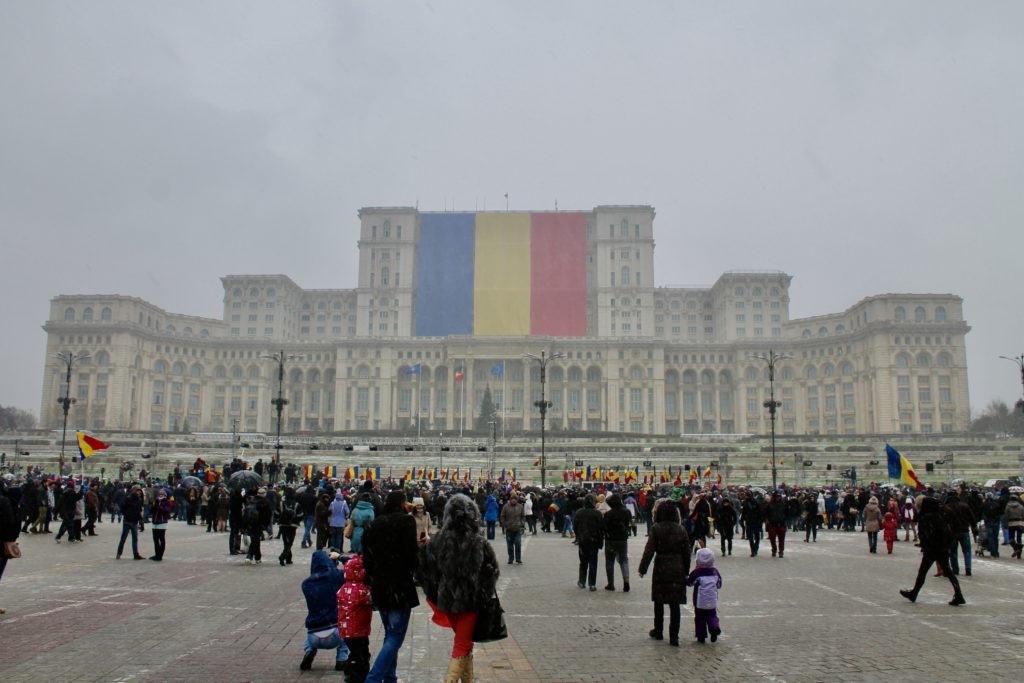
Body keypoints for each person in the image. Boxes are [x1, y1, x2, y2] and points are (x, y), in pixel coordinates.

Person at [419, 494, 500, 683]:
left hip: (447, 601)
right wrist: (482, 593)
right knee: (462, 645)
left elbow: (425, 571)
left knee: (465, 642)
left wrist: (437, 590)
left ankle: (467, 679)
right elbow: (492, 572)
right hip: (471, 602)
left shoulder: (438, 541)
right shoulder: (479, 542)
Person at [361, 490, 420, 683]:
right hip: (400, 586)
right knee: (395, 636)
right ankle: (374, 678)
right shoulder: (406, 522)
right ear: (402, 503)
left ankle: (390, 678)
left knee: (390, 634)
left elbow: (367, 559)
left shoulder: (374, 524)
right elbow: (411, 555)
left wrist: (375, 577)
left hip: (380, 586)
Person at [638, 499, 691, 647]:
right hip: (677, 568)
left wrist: (643, 568)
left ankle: (659, 630)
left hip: (661, 566)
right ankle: (674, 636)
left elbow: (649, 550)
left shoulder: (656, 528)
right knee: (675, 604)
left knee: (659, 601)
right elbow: (686, 552)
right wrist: (686, 570)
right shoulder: (681, 529)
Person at [900, 496, 964, 606]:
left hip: (931, 549)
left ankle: (914, 593)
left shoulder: (927, 516)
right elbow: (950, 529)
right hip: (942, 547)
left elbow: (926, 534)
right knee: (947, 571)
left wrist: (924, 545)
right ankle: (958, 594)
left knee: (923, 572)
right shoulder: (940, 514)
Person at [300, 549, 349, 672]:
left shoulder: (306, 584)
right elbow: (355, 567)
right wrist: (339, 557)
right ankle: (341, 659)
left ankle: (309, 650)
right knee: (346, 634)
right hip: (335, 631)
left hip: (314, 634)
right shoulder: (337, 577)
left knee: (309, 637)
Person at [337, 554, 372, 683]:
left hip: (345, 630)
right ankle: (358, 676)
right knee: (362, 654)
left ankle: (350, 670)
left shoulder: (343, 588)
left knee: (355, 652)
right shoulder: (362, 590)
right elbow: (372, 601)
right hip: (359, 630)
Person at [686, 548, 723, 644]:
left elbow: (690, 583)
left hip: (700, 601)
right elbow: (719, 585)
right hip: (712, 600)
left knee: (699, 618)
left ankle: (701, 635)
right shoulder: (715, 572)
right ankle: (714, 626)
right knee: (712, 615)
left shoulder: (697, 573)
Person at [573, 494, 604, 591]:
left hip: (582, 541)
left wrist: (578, 535)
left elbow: (575, 526)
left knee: (583, 562)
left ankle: (582, 581)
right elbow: (601, 528)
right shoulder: (597, 513)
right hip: (594, 541)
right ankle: (592, 584)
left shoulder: (579, 512)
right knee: (593, 563)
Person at [603, 494, 632, 592]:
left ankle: (611, 584)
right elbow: (629, 523)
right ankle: (626, 581)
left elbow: (604, 527)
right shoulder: (627, 512)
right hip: (623, 539)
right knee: (624, 560)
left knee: (610, 562)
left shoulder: (608, 514)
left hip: (611, 540)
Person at [945, 490, 976, 576]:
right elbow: (972, 518)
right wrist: (974, 527)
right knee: (967, 551)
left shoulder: (947, 507)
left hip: (952, 532)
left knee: (953, 551)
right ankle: (968, 568)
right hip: (964, 530)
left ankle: (955, 569)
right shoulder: (964, 505)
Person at [116, 485, 145, 560]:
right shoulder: (128, 498)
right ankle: (119, 553)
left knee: (135, 539)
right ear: (134, 491)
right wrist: (126, 513)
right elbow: (122, 507)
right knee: (123, 538)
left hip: (134, 521)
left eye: (140, 491)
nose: (139, 492)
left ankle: (136, 554)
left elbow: (139, 511)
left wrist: (141, 521)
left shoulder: (139, 500)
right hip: (127, 521)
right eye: (138, 491)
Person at [499, 494, 525, 565]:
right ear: (510, 500)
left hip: (518, 529)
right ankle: (510, 558)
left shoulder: (520, 506)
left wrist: (522, 523)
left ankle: (518, 558)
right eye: (512, 499)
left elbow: (523, 516)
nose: (514, 500)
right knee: (510, 545)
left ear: (517, 500)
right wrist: (505, 524)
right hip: (509, 529)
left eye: (515, 499)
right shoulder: (506, 506)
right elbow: (502, 516)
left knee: (518, 543)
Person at [278, 487, 301, 566]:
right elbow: (300, 515)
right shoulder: (296, 504)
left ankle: (288, 559)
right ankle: (283, 556)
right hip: (292, 525)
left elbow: (277, 513)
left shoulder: (281, 503)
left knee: (286, 542)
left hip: (283, 525)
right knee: (290, 543)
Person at [150, 488, 171, 561]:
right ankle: (156, 554)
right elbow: (152, 511)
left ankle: (160, 555)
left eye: (162, 494)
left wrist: (159, 507)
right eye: (160, 494)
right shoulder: (156, 501)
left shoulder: (166, 501)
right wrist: (153, 506)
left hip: (162, 522)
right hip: (155, 522)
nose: (161, 495)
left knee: (161, 539)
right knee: (155, 539)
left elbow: (167, 511)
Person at [765, 491, 787, 558]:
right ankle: (774, 549)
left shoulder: (783, 504)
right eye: (776, 496)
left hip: (781, 524)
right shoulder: (769, 505)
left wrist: (785, 521)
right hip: (772, 524)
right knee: (772, 539)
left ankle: (781, 551)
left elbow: (786, 513)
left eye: (779, 496)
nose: (778, 498)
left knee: (781, 539)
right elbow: (766, 515)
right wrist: (767, 524)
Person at [1006, 494, 1024, 559]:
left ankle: (1015, 548)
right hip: (1020, 523)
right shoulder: (1021, 506)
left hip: (1011, 523)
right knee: (1019, 538)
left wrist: (1006, 523)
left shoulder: (1008, 506)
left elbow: (1006, 515)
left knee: (1011, 538)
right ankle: (1019, 555)